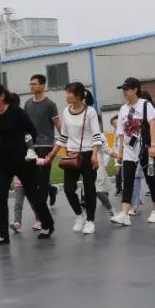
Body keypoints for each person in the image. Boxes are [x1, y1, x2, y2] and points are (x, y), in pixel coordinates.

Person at [0, 83, 54, 245]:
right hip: (2, 160)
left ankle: (47, 224)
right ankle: (2, 235)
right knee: (0, 197)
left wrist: (27, 149)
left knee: (33, 193)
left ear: (2, 96)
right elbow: (0, 136)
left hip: (21, 158)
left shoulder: (16, 112)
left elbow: (32, 131)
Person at [43, 83, 104, 234]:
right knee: (69, 189)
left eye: (68, 93)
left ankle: (90, 220)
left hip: (88, 154)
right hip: (71, 155)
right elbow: (63, 136)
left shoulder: (90, 112)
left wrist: (95, 155)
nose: (66, 96)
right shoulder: (66, 111)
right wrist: (53, 153)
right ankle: (79, 215)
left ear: (77, 95)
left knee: (89, 189)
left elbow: (97, 136)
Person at [112, 78, 155, 226]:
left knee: (150, 179)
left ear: (135, 90)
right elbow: (120, 132)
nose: (124, 92)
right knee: (127, 180)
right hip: (129, 150)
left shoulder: (145, 105)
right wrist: (120, 152)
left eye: (127, 89)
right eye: (123, 90)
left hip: (144, 148)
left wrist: (153, 145)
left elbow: (152, 125)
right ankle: (124, 213)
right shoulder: (123, 109)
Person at [25, 74, 62, 209]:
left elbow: (57, 123)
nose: (31, 86)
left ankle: (41, 210)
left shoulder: (50, 104)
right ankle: (52, 190)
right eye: (30, 84)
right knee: (34, 178)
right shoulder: (28, 103)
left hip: (46, 145)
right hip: (31, 146)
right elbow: (24, 123)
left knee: (43, 177)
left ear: (42, 85)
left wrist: (66, 141)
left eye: (34, 84)